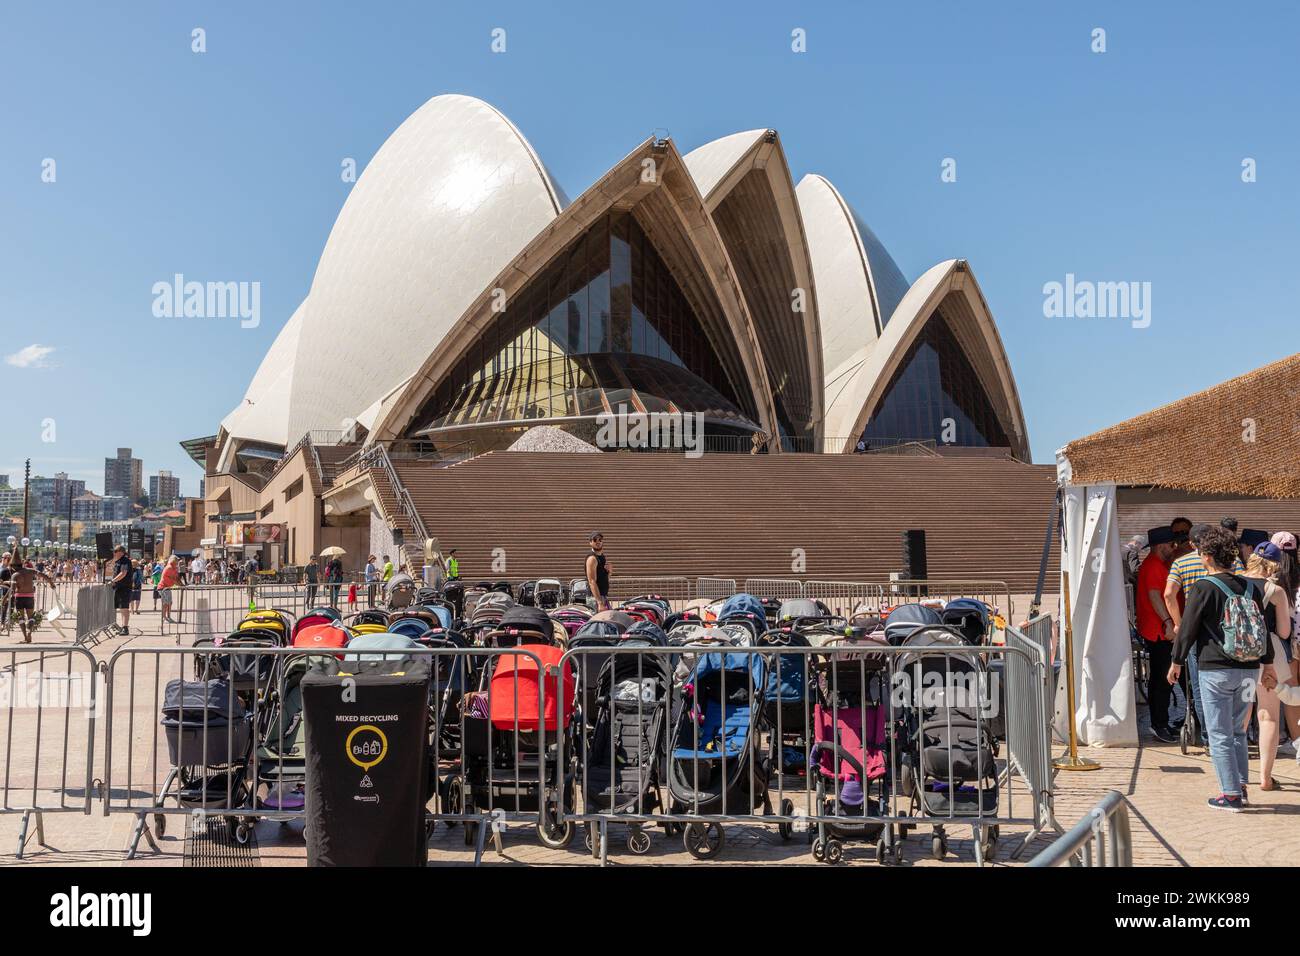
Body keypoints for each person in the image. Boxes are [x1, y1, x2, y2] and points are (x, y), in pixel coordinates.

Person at [1169, 526, 1276, 812]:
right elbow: (1263, 629)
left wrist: (1176, 661)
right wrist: (1267, 664)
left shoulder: (1204, 587)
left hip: (1215, 669)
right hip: (1249, 669)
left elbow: (1187, 629)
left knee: (1218, 733)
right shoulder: (1252, 586)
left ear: (1206, 556)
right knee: (1238, 731)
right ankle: (1240, 785)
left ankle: (1229, 795)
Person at [1241, 542, 1293, 790]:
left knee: (1240, 714)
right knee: (1268, 716)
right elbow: (1283, 630)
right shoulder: (1276, 590)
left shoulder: (1233, 583)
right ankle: (1265, 777)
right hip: (1268, 655)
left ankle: (1239, 776)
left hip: (1237, 655)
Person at [1164, 523, 1213, 745]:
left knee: (1200, 686)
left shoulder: (1181, 562)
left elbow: (1168, 594)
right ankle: (1232, 734)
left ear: (1191, 543)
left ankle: (1209, 738)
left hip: (1193, 630)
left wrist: (1179, 624)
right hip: (1224, 630)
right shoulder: (1229, 561)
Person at [1136, 526, 1179, 742]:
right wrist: (1168, 622)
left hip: (1159, 630)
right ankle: (1159, 723)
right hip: (1159, 631)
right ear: (1161, 546)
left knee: (1162, 679)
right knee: (1162, 678)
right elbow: (1155, 596)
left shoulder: (1157, 564)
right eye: (1171, 545)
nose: (1174, 548)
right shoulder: (1153, 566)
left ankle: (1161, 722)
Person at [9, 556, 54, 643]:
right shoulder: (30, 571)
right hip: (29, 597)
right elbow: (43, 575)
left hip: (19, 597)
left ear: (13, 566)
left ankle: (25, 636)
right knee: (30, 617)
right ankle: (29, 633)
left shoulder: (15, 575)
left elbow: (12, 589)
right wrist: (51, 583)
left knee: (20, 617)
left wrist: (7, 598)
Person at [109, 545, 134, 635]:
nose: (114, 553)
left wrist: (113, 580)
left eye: (115, 551)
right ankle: (123, 627)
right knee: (121, 608)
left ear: (121, 552)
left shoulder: (125, 561)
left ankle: (125, 628)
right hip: (119, 587)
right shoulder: (118, 561)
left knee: (124, 608)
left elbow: (123, 573)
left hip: (124, 588)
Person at [585, 531, 611, 612]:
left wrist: (609, 571)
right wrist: (599, 603)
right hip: (595, 598)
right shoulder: (592, 558)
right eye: (595, 540)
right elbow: (592, 581)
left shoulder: (602, 556)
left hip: (602, 596)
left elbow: (603, 578)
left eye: (600, 540)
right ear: (590, 543)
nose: (598, 542)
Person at [158, 556, 179, 624]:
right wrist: (180, 584)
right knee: (166, 603)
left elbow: (175, 578)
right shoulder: (169, 568)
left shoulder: (173, 568)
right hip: (163, 587)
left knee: (169, 603)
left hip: (166, 587)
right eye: (176, 560)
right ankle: (165, 618)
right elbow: (174, 579)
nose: (177, 562)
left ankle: (167, 617)